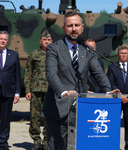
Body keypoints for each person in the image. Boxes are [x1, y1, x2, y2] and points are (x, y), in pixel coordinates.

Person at [42, 11, 120, 150]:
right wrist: (63, 92)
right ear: (64, 27)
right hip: (57, 110)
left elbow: (99, 74)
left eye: (77, 25)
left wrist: (108, 91)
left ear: (82, 27)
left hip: (80, 111)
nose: (74, 28)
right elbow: (51, 74)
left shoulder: (87, 50)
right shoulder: (54, 48)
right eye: (70, 25)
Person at [107, 46, 128, 150]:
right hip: (117, 101)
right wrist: (120, 96)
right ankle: (114, 145)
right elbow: (111, 83)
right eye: (121, 53)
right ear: (118, 55)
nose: (123, 55)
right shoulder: (112, 67)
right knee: (115, 124)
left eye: (125, 53)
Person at [24, 30, 52, 150]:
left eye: (49, 40)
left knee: (49, 116)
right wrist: (27, 90)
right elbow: (28, 73)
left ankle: (46, 141)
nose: (46, 42)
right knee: (34, 116)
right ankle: (36, 140)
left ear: (52, 41)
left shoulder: (55, 54)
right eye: (44, 40)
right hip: (35, 90)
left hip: (51, 90)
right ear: (40, 41)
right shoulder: (34, 54)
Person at [0, 31, 21, 150]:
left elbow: (17, 75)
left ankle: (3, 143)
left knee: (5, 119)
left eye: (4, 39)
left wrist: (17, 92)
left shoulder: (13, 55)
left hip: (7, 91)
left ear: (7, 42)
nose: (2, 41)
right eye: (0, 39)